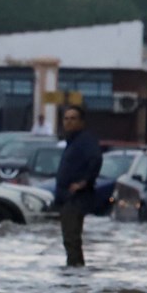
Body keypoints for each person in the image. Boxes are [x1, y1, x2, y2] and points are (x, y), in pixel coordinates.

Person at [52, 105, 102, 268]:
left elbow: (96, 160)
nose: (69, 122)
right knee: (69, 238)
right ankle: (74, 272)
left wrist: (83, 182)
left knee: (72, 238)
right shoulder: (72, 141)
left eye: (73, 119)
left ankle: (75, 271)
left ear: (81, 122)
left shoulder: (85, 140)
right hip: (66, 197)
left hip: (76, 198)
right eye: (66, 119)